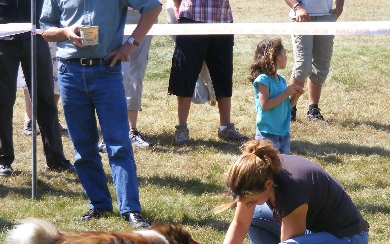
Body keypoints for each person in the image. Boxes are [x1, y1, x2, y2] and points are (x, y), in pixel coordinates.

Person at [40, 0, 161, 226]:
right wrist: (66, 32)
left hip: (106, 70)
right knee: (83, 147)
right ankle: (99, 204)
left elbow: (153, 7)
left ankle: (130, 210)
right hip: (70, 72)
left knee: (119, 144)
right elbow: (46, 30)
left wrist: (131, 44)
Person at [210, 139, 369, 244]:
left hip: (349, 243)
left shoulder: (292, 190)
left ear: (268, 185)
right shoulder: (261, 171)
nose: (247, 205)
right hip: (316, 233)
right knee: (255, 219)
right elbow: (240, 223)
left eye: (251, 201)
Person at [0, 0, 75, 177]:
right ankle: (3, 159)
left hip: (36, 36)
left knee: (45, 100)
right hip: (1, 39)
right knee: (2, 101)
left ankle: (56, 158)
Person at [167, 0, 249, 145]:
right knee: (185, 73)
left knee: (223, 74)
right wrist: (178, 8)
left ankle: (225, 127)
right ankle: (181, 130)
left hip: (222, 20)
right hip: (192, 17)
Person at [98, 8, 155, 153]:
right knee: (121, 73)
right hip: (118, 13)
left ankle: (132, 130)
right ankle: (111, 133)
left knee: (137, 74)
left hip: (145, 13)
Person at [284, 0, 345, 122]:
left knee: (321, 67)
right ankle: (289, 110)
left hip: (326, 18)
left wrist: (339, 7)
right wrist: (297, 8)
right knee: (303, 67)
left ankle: (313, 110)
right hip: (302, 18)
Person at [249, 38, 304, 154]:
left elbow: (287, 106)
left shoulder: (282, 80)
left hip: (283, 133)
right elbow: (265, 105)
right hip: (267, 135)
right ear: (278, 57)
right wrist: (286, 93)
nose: (286, 57)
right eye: (285, 53)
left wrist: (296, 96)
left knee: (284, 166)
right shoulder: (263, 80)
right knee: (267, 167)